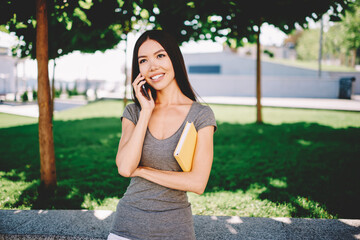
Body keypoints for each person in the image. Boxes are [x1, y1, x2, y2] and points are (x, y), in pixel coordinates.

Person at [108, 30, 217, 240]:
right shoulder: (134, 112)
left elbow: (197, 183)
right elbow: (124, 167)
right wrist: (146, 110)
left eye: (160, 56)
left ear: (174, 58)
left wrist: (141, 171)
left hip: (175, 229)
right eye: (143, 60)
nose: (153, 66)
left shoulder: (201, 115)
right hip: (127, 226)